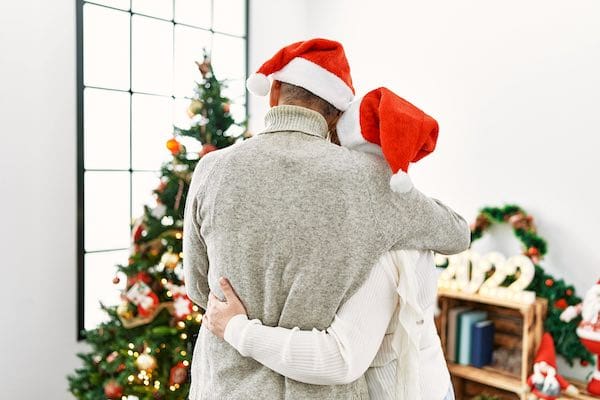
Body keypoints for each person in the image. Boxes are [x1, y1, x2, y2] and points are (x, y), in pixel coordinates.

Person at [183, 38, 470, 400]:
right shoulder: (368, 181)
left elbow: (197, 288)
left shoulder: (212, 169)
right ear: (337, 115)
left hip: (224, 386)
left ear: (273, 92)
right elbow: (457, 234)